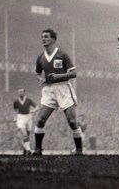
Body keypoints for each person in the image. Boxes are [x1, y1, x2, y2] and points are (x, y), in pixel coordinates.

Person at [32, 28, 83, 156]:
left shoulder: (62, 55)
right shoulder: (40, 57)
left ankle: (79, 150)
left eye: (46, 36)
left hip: (63, 88)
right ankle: (38, 149)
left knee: (72, 121)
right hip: (49, 90)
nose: (43, 39)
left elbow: (74, 73)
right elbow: (37, 73)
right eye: (42, 36)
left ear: (53, 39)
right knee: (40, 120)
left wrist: (58, 77)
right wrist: (41, 79)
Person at [13, 88, 36, 155]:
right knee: (24, 133)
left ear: (24, 92)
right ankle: (29, 150)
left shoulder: (28, 100)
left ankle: (25, 149)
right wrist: (15, 117)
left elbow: (37, 106)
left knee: (27, 135)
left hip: (28, 117)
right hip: (20, 117)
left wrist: (33, 111)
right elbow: (15, 110)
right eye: (19, 92)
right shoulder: (16, 101)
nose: (20, 93)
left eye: (21, 92)